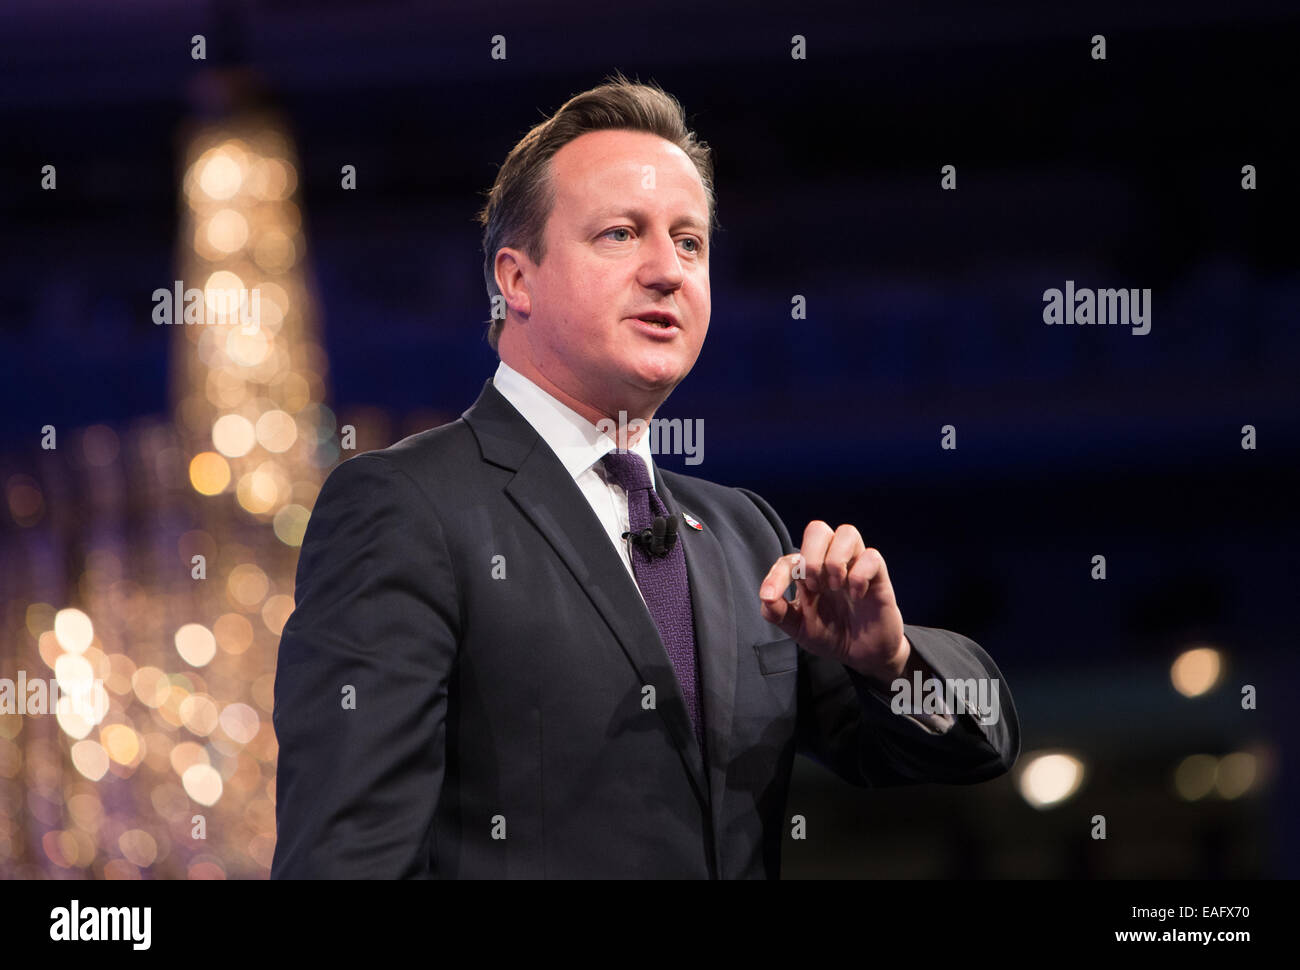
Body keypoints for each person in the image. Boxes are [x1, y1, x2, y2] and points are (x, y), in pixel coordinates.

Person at [271, 76, 1019, 879]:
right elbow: (348, 861)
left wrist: (893, 663)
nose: (669, 270)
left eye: (690, 241)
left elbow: (976, 742)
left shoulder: (744, 537)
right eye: (622, 234)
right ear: (515, 280)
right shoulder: (406, 506)